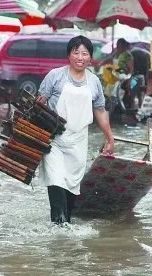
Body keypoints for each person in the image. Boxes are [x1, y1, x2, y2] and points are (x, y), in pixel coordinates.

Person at [36, 35, 115, 225]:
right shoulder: (55, 76)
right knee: (56, 180)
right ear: (68, 56)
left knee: (71, 185)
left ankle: (67, 223)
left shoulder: (94, 82)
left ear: (90, 58)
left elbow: (100, 111)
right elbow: (39, 104)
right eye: (76, 53)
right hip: (54, 139)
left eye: (84, 53)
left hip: (79, 141)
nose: (80, 57)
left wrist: (110, 138)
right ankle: (59, 226)